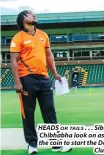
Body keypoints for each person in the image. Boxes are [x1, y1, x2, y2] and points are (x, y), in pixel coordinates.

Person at [10, 10, 72, 154]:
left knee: (50, 112)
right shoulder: (18, 37)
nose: (34, 15)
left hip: (44, 79)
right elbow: (13, 61)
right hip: (26, 79)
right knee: (28, 113)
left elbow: (49, 56)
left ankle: (56, 144)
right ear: (23, 20)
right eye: (30, 14)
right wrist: (18, 83)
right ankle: (32, 144)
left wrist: (55, 74)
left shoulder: (43, 35)